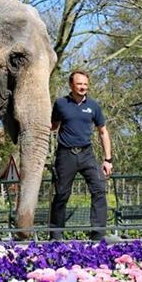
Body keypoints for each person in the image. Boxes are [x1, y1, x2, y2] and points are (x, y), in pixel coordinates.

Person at [49, 70, 117, 241]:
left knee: (99, 189)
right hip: (66, 155)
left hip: (87, 154)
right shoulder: (60, 104)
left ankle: (97, 234)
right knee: (61, 194)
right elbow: (53, 126)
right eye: (79, 84)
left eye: (85, 84)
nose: (83, 87)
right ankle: (56, 236)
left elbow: (103, 132)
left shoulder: (93, 106)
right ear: (71, 85)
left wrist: (107, 159)